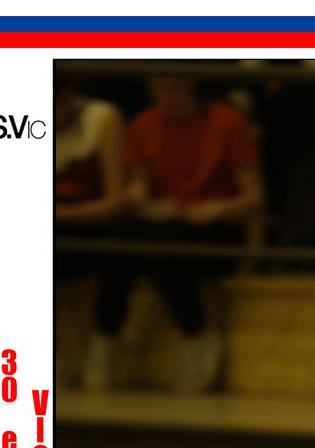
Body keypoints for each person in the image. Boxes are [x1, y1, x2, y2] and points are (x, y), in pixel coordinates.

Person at [86, 73, 263, 393]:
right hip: (162, 223)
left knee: (157, 243)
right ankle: (106, 335)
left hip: (214, 227)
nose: (165, 97)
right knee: (123, 238)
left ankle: (196, 334)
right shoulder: (145, 123)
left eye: (174, 89)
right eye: (158, 89)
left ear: (192, 86)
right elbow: (140, 184)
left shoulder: (226, 122)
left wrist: (215, 209)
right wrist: (137, 195)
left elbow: (254, 197)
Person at [54, 79, 127, 388]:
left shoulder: (103, 119)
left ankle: (103, 346)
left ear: (67, 97)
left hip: (95, 223)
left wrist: (64, 215)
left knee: (123, 245)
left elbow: (116, 200)